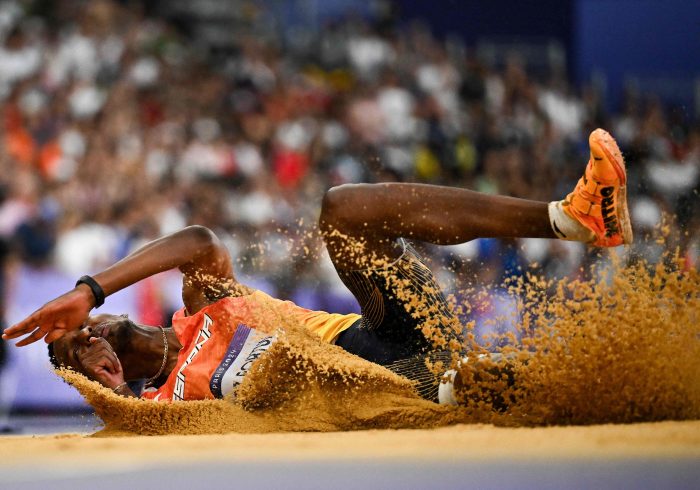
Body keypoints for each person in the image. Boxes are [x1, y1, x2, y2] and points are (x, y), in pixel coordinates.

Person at [2, 129, 632, 404]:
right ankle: (502, 391)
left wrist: (88, 290)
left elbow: (199, 238)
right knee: (309, 383)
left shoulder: (199, 310)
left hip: (390, 334)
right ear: (95, 383)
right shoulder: (167, 408)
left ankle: (569, 218)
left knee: (343, 208)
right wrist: (113, 399)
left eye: (78, 333)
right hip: (395, 394)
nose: (82, 342)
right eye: (73, 359)